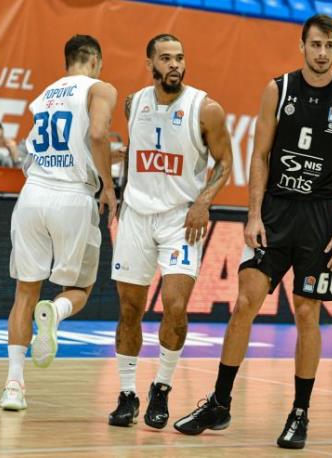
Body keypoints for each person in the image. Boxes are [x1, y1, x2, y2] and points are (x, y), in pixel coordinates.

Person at [174, 14, 332, 450]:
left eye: (330, 45)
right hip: (276, 211)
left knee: (306, 313)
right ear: (302, 45)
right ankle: (220, 403)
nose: (322, 53)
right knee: (245, 301)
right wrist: (253, 214)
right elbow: (260, 155)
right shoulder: (278, 90)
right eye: (315, 44)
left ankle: (299, 413)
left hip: (323, 217)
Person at [108, 34, 233, 429]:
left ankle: (161, 386)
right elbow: (137, 153)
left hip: (181, 219)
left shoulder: (206, 109)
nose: (175, 64)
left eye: (179, 57)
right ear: (150, 64)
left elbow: (225, 163)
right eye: (165, 58)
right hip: (136, 216)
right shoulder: (133, 103)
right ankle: (127, 394)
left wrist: (204, 201)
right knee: (130, 310)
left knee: (175, 307)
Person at [0, 34, 118, 410]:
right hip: (73, 196)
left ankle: (13, 386)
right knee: (79, 287)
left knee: (24, 293)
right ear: (95, 60)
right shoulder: (100, 88)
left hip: (33, 193)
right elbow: (97, 134)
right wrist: (108, 185)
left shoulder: (46, 95)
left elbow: (47, 147)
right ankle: (56, 312)